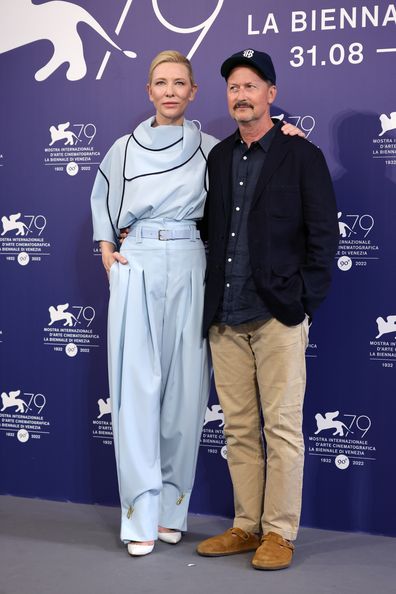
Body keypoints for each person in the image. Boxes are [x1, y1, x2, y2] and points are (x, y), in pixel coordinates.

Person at [91, 50, 303, 558]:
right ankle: (138, 516)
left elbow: (261, 163)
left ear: (193, 92)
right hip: (136, 262)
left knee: (186, 396)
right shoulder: (121, 149)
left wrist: (292, 137)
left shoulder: (214, 149)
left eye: (179, 83)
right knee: (136, 390)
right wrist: (106, 249)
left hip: (192, 264)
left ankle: (171, 510)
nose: (169, 91)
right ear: (149, 91)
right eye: (160, 82)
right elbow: (102, 201)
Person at [196, 49, 339, 570]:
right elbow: (207, 228)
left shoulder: (303, 155)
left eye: (251, 86)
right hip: (225, 315)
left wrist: (302, 304)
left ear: (270, 94)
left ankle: (280, 533)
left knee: (282, 428)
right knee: (237, 428)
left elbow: (324, 237)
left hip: (278, 315)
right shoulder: (218, 157)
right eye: (234, 87)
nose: (241, 95)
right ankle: (246, 526)